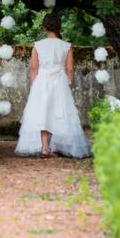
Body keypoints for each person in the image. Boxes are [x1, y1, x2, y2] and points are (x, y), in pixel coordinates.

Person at [15, 14, 92, 158]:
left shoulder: (38, 45)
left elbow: (33, 68)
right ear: (59, 27)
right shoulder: (66, 46)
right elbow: (69, 69)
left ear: (44, 27)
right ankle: (60, 144)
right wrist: (68, 81)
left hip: (42, 81)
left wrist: (35, 84)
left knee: (42, 113)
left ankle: (45, 147)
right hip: (60, 81)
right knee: (61, 112)